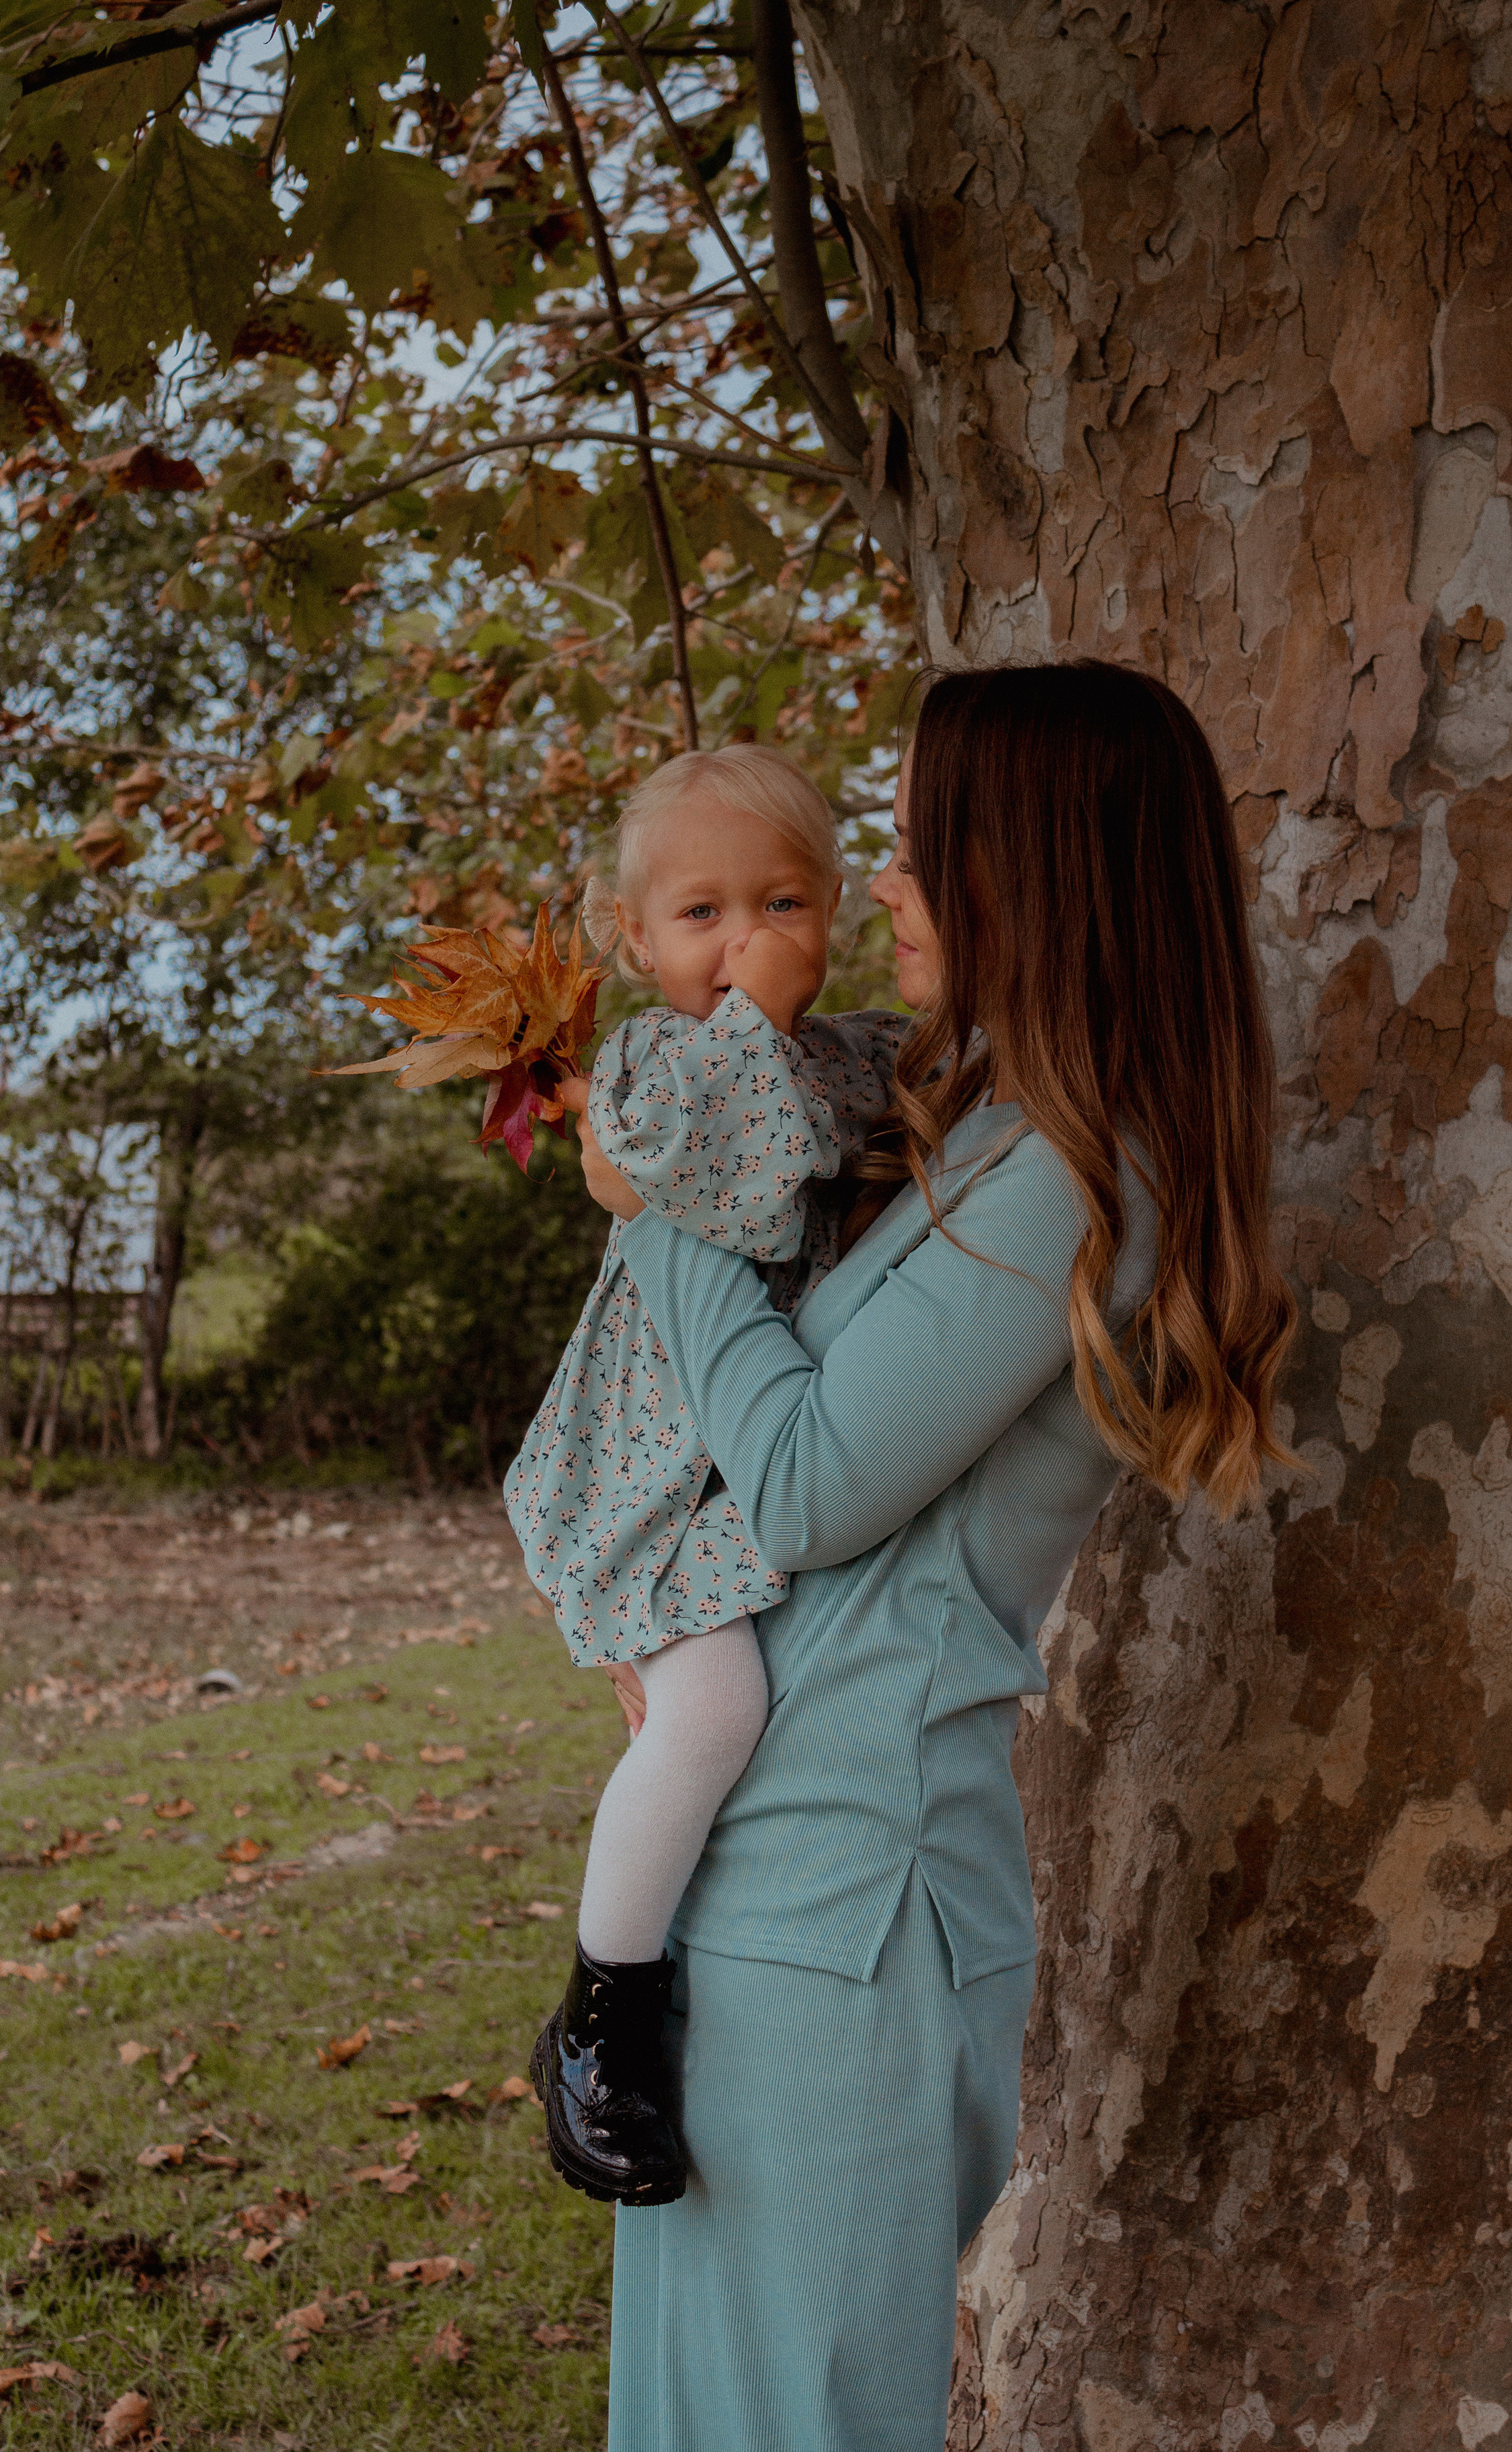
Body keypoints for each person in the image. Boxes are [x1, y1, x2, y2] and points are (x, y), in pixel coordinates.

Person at [564, 663, 1299, 2452]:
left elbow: (806, 1483)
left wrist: (653, 1206)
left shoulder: (1072, 1175)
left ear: (1027, 872)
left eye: (910, 847)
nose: (877, 886)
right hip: (771, 1893)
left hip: (852, 1918)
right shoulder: (968, 1134)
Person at [507, 745, 906, 2205]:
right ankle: (598, 2016)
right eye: (700, 915)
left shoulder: (851, 1050)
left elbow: (914, 1112)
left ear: (833, 914)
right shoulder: (656, 1066)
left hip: (743, 1474)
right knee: (713, 1704)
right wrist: (759, 1015)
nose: (744, 940)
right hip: (647, 1476)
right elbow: (708, 1162)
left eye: (781, 901)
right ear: (634, 940)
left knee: (750, 1701)